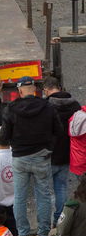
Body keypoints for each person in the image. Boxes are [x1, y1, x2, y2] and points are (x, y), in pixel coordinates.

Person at [3, 77, 64, 236]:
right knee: (43, 195)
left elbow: (5, 135)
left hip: (20, 157)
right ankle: (43, 235)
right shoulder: (47, 107)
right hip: (41, 156)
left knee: (19, 197)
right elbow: (59, 131)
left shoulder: (12, 108)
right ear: (36, 90)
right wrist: (49, 147)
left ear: (20, 91)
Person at [43, 76, 80, 224]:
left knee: (44, 191)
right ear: (59, 87)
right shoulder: (75, 105)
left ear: (46, 90)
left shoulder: (46, 106)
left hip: (49, 154)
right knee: (61, 188)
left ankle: (45, 225)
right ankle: (60, 219)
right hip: (67, 153)